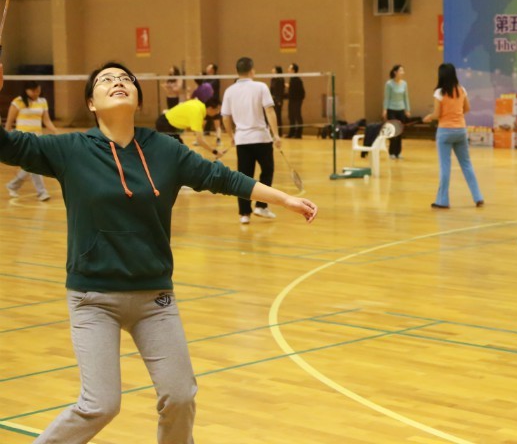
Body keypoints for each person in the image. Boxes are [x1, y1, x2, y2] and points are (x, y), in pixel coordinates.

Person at [0, 61, 317, 443]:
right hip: (92, 298)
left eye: (125, 79)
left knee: (180, 397)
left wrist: (284, 199)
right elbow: (6, 145)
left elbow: (222, 177)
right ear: (91, 104)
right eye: (105, 80)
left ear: (137, 98)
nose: (118, 82)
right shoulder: (70, 149)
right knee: (100, 405)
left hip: (154, 298)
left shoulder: (165, 150)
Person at [221, 57, 281, 224]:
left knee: (244, 177)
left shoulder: (229, 91)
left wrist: (231, 136)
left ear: (237, 71)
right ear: (252, 70)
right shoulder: (261, 87)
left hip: (242, 140)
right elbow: (270, 111)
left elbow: (225, 117)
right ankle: (261, 206)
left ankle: (244, 214)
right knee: (267, 171)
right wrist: (276, 134)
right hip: (262, 138)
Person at [422, 63, 483, 209]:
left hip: (445, 132)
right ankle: (478, 196)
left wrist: (429, 117)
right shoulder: (461, 90)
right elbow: (467, 108)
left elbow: (437, 114)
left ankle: (442, 201)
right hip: (461, 130)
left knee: (445, 167)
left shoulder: (439, 92)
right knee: (467, 165)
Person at [5, 80, 59, 201]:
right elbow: (9, 121)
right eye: (33, 91)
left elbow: (46, 120)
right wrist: (6, 139)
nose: (36, 93)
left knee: (31, 164)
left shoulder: (42, 101)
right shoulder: (18, 102)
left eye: (38, 91)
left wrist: (55, 131)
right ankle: (42, 192)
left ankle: (13, 185)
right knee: (35, 162)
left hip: (37, 138)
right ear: (26, 90)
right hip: (22, 139)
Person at [155, 96, 223, 154]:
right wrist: (215, 152)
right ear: (210, 108)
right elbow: (200, 140)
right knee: (178, 150)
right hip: (165, 124)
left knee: (180, 150)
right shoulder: (197, 114)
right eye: (217, 110)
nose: (218, 112)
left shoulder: (199, 104)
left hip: (167, 123)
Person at [382, 64, 411, 159]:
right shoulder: (389, 84)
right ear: (395, 72)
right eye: (401, 71)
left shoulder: (404, 84)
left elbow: (406, 97)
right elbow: (387, 98)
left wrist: (407, 109)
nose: (402, 73)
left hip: (401, 110)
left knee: (400, 132)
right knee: (393, 132)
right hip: (392, 110)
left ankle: (398, 152)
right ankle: (391, 152)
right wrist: (385, 109)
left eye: (403, 71)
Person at [286, 63, 305, 139]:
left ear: (293, 70)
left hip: (296, 101)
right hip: (291, 100)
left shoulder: (297, 80)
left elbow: (301, 92)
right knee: (291, 116)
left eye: (289, 68)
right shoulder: (291, 79)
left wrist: (298, 101)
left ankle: (298, 134)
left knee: (297, 116)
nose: (288, 70)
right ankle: (291, 133)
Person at [270, 65, 285, 134]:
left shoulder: (280, 79)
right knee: (273, 116)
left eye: (274, 69)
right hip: (272, 100)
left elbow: (281, 91)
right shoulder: (273, 79)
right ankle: (274, 131)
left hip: (278, 100)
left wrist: (279, 100)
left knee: (278, 116)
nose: (272, 70)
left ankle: (279, 132)